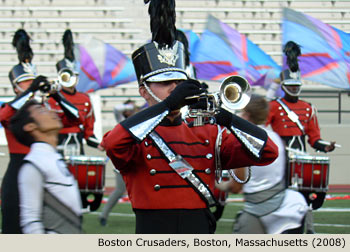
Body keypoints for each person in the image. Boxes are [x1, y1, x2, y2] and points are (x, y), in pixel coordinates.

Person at [101, 0, 278, 234]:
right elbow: (113, 144)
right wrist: (167, 105)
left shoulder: (207, 132)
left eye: (179, 83)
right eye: (165, 83)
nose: (174, 88)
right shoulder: (135, 135)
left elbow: (268, 152)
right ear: (144, 91)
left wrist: (227, 118)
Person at [0, 29, 79, 233]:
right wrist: (30, 91)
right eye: (24, 82)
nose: (29, 85)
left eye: (30, 81)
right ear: (16, 87)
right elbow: (3, 117)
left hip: (49, 170)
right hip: (19, 171)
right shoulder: (12, 110)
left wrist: (58, 96)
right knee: (14, 231)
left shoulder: (44, 109)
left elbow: (75, 116)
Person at [266, 41, 337, 233]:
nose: (295, 88)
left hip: (301, 156)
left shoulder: (308, 108)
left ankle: (308, 227)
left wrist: (325, 146)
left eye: (297, 85)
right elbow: (262, 129)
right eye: (291, 85)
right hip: (281, 156)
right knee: (281, 195)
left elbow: (314, 138)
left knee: (305, 195)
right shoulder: (274, 106)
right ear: (285, 85)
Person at [222, 95, 309, 234]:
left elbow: (236, 186)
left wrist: (215, 184)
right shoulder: (275, 138)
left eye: (241, 112)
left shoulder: (242, 140)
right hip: (286, 204)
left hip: (259, 209)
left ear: (247, 115)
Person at [47, 29, 103, 210]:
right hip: (56, 144)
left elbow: (88, 132)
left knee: (75, 186)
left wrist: (101, 144)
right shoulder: (50, 99)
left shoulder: (85, 99)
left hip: (77, 145)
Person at [9, 100, 82, 233]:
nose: (52, 112)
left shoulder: (52, 158)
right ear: (30, 126)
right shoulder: (34, 164)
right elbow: (31, 221)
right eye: (41, 110)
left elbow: (77, 117)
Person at [99, 100, 139, 226]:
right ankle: (103, 215)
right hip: (124, 163)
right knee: (119, 190)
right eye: (130, 109)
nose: (134, 111)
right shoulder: (124, 122)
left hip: (137, 163)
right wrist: (130, 106)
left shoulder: (141, 121)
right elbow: (117, 108)